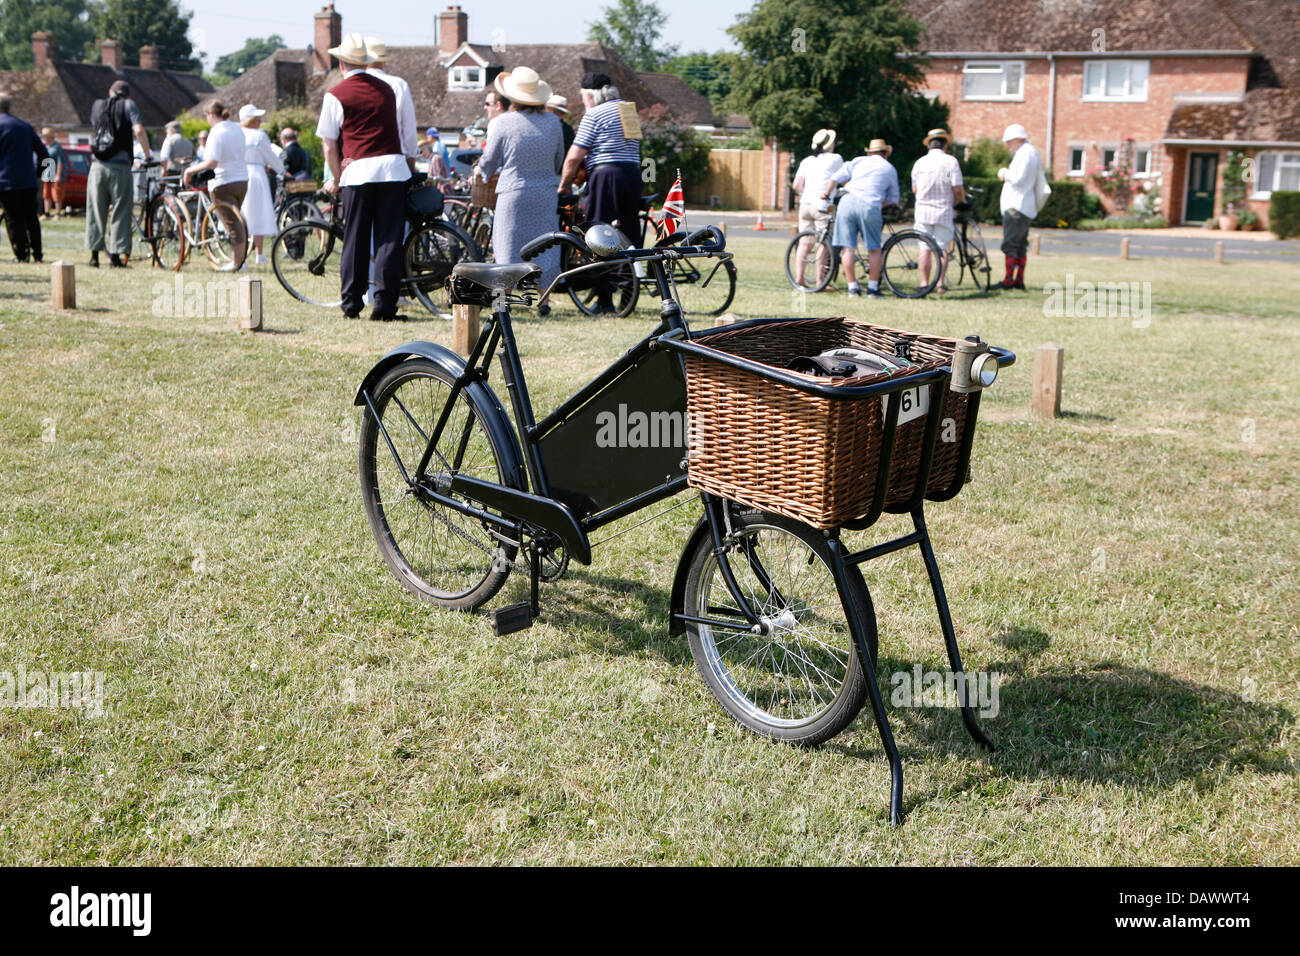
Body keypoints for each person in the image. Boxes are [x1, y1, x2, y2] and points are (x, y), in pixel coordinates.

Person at [315, 33, 414, 321]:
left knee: (355, 239)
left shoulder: (335, 94)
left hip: (358, 170)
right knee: (388, 240)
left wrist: (338, 176)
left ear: (341, 62)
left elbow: (329, 143)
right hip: (393, 169)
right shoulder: (388, 89)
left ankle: (351, 303)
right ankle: (384, 306)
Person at [477, 67, 564, 316]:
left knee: (506, 245)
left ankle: (501, 303)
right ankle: (543, 302)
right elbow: (559, 158)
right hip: (546, 192)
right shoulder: (553, 122)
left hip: (514, 190)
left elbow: (490, 159)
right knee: (545, 245)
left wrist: (482, 170)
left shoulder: (503, 122)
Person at [559, 72, 643, 312]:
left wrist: (564, 184)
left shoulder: (594, 114)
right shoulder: (629, 111)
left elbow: (575, 155)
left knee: (598, 234)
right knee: (629, 233)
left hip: (606, 175)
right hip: (632, 173)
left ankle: (604, 298)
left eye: (584, 97)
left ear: (591, 95)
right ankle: (628, 293)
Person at [86, 79, 151, 268]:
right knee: (120, 211)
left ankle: (94, 256)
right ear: (128, 95)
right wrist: (147, 154)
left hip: (97, 165)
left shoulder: (97, 105)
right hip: (120, 166)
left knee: (96, 210)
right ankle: (115, 257)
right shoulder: (129, 105)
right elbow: (138, 129)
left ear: (110, 91)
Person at [821, 137, 898, 297]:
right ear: (885, 154)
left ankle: (852, 288)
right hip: (870, 205)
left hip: (847, 201)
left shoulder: (858, 161)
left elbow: (835, 177)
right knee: (874, 250)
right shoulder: (889, 168)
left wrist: (826, 193)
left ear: (870, 153)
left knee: (848, 248)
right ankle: (872, 288)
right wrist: (879, 203)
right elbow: (893, 199)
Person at [182, 100, 249, 271]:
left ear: (211, 114)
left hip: (223, 181)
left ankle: (237, 263)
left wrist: (190, 171)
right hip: (242, 180)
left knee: (232, 225)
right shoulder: (237, 129)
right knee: (237, 222)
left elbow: (211, 162)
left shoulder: (216, 132)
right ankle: (240, 259)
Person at [911, 128, 965, 294]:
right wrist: (962, 201)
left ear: (929, 145)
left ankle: (924, 282)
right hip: (943, 210)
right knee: (942, 248)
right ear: (945, 145)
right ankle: (940, 283)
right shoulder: (950, 162)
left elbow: (915, 189)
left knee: (924, 248)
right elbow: (957, 188)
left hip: (923, 210)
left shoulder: (920, 163)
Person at [996, 123, 1048, 290]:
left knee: (1011, 245)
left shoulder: (1024, 153)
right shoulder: (1032, 152)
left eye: (1009, 142)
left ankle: (1009, 280)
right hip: (1025, 206)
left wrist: (1004, 173)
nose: (1008, 146)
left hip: (1016, 206)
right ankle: (1018, 279)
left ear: (1017, 139)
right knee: (1020, 246)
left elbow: (1018, 178)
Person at [791, 128, 842, 288]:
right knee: (823, 243)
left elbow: (796, 185)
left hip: (805, 203)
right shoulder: (835, 158)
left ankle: (799, 278)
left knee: (805, 242)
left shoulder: (807, 160)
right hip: (822, 205)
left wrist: (807, 193)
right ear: (831, 144)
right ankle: (821, 281)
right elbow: (841, 179)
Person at [0, 93, 48, 262]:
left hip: (6, 182)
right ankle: (38, 254)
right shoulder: (25, 126)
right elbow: (44, 153)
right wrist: (39, 175)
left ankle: (21, 254)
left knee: (13, 219)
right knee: (31, 219)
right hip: (28, 181)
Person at [237, 104, 283, 266]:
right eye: (257, 118)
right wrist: (282, 170)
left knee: (243, 214)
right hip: (256, 174)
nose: (259, 121)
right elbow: (270, 156)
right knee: (258, 212)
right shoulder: (259, 136)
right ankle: (259, 253)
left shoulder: (237, 134)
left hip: (240, 174)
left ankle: (243, 255)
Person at [39, 127, 66, 219]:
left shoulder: (57, 147)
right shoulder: (45, 147)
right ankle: (47, 213)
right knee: (46, 194)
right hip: (46, 174)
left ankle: (58, 214)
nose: (44, 138)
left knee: (57, 194)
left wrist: (58, 175)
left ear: (50, 137)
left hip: (55, 175)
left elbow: (60, 162)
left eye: (45, 137)